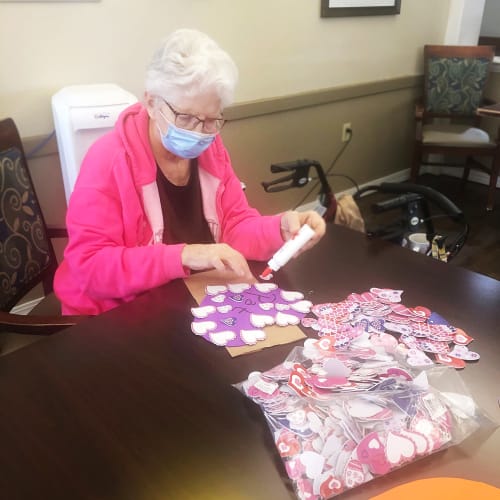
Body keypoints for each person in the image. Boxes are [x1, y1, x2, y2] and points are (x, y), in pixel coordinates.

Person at [54, 28, 326, 315]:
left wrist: (280, 229)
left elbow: (234, 225)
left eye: (211, 120)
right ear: (151, 102)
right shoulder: (107, 160)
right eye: (184, 117)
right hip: (114, 315)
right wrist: (186, 255)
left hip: (181, 300)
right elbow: (91, 269)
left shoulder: (211, 149)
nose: (199, 132)